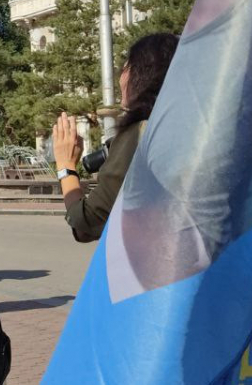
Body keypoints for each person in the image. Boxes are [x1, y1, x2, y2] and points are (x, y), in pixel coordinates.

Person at [53, 32, 180, 243]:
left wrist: (66, 166)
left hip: (155, 268)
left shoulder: (142, 134)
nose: (120, 77)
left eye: (124, 68)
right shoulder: (189, 129)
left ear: (139, 74)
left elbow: (86, 223)